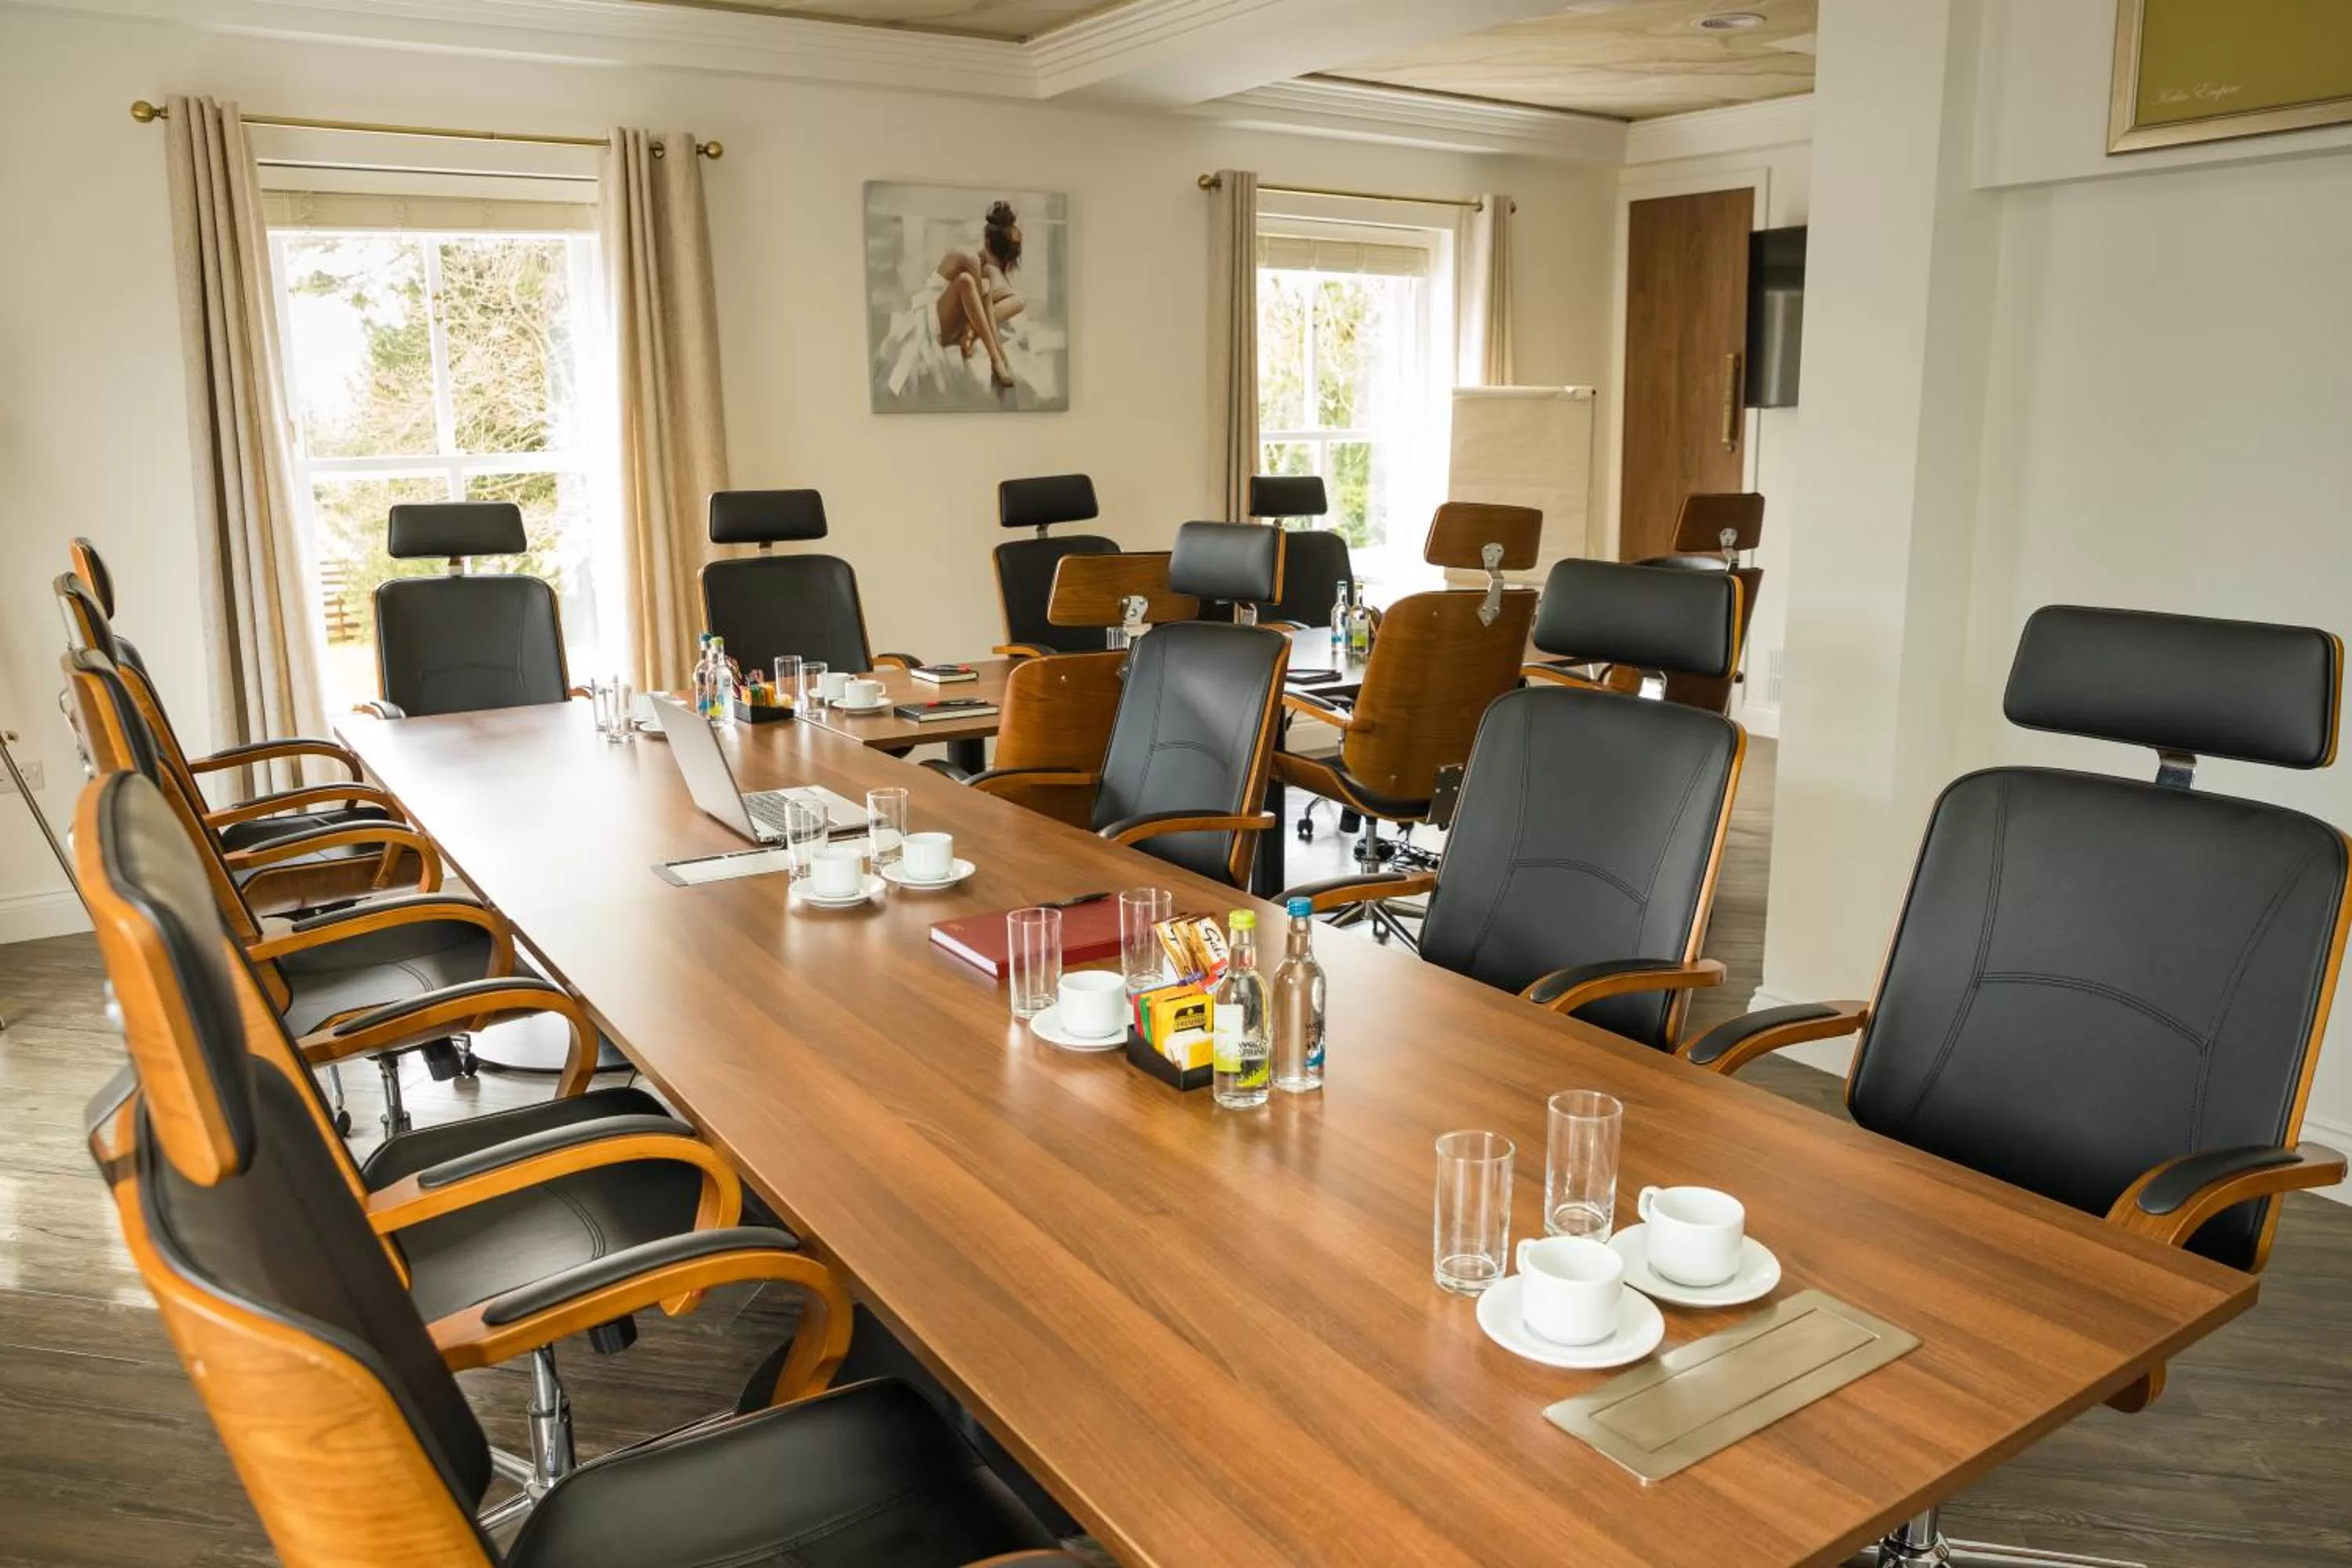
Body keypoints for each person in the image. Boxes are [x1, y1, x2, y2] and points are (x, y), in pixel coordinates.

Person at [933, 201, 1025, 392]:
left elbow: (986, 306)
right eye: (1002, 260)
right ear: (989, 242)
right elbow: (986, 309)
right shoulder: (970, 259)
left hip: (962, 318)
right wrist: (999, 354)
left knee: (1019, 299)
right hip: (935, 322)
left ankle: (972, 330)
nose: (1000, 268)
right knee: (966, 281)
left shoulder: (984, 266)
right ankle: (995, 358)